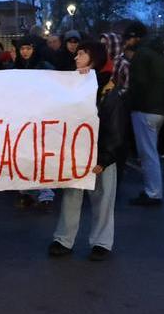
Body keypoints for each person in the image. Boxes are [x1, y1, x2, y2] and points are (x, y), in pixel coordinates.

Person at [50, 41, 123, 260]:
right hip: (76, 152)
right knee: (71, 195)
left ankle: (102, 242)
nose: (76, 57)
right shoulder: (74, 85)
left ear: (94, 58)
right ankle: (63, 239)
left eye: (82, 54)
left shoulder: (109, 91)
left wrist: (105, 158)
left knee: (102, 197)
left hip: (101, 153)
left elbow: (116, 129)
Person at [124, 25, 164, 207]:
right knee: (152, 151)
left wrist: (129, 101)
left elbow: (138, 84)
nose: (126, 42)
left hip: (145, 108)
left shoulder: (142, 55)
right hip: (159, 108)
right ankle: (153, 190)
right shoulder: (159, 54)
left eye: (128, 38)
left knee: (148, 153)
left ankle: (153, 192)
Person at [12, 35, 55, 210]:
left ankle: (46, 193)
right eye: (22, 49)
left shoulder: (45, 66)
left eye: (28, 48)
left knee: (41, 155)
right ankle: (27, 192)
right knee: (23, 156)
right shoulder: (13, 68)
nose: (25, 52)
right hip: (21, 118)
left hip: (40, 117)